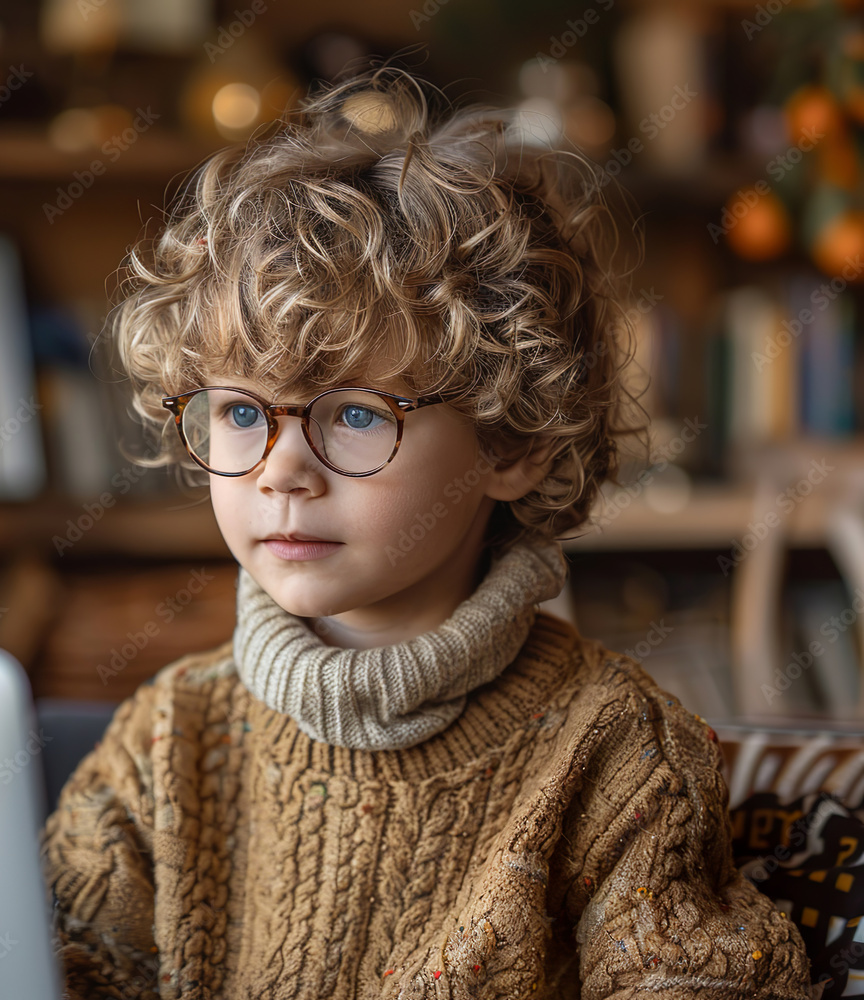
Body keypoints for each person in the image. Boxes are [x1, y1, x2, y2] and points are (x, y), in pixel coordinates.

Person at [40, 62, 812, 999]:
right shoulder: (164, 739)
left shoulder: (617, 751)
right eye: (241, 412)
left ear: (513, 442)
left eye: (357, 414)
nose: (282, 469)